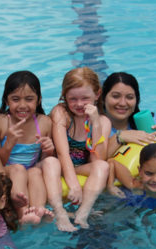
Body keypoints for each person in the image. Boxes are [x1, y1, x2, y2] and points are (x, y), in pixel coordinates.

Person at [42, 67, 111, 231]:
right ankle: (60, 213)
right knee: (51, 161)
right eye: (72, 99)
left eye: (85, 98)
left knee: (103, 166)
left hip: (80, 167)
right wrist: (73, 185)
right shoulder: (61, 113)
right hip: (57, 166)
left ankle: (83, 212)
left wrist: (95, 123)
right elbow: (62, 153)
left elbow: (98, 158)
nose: (79, 104)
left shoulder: (103, 121)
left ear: (97, 94)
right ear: (64, 96)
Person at [0, 71, 54, 224]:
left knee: (35, 171)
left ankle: (38, 210)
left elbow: (43, 162)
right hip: (7, 172)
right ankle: (23, 214)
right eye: (15, 99)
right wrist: (9, 143)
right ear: (6, 100)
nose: (22, 105)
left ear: (38, 100)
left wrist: (48, 151)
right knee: (18, 169)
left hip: (30, 171)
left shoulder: (44, 122)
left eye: (29, 99)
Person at [101, 72, 156, 158]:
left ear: (136, 101)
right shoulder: (94, 126)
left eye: (129, 97)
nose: (122, 103)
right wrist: (120, 137)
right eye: (115, 96)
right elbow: (95, 160)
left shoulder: (151, 121)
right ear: (103, 98)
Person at [107, 143, 156, 209]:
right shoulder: (134, 185)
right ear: (140, 171)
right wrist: (110, 186)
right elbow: (111, 162)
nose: (155, 179)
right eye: (149, 173)